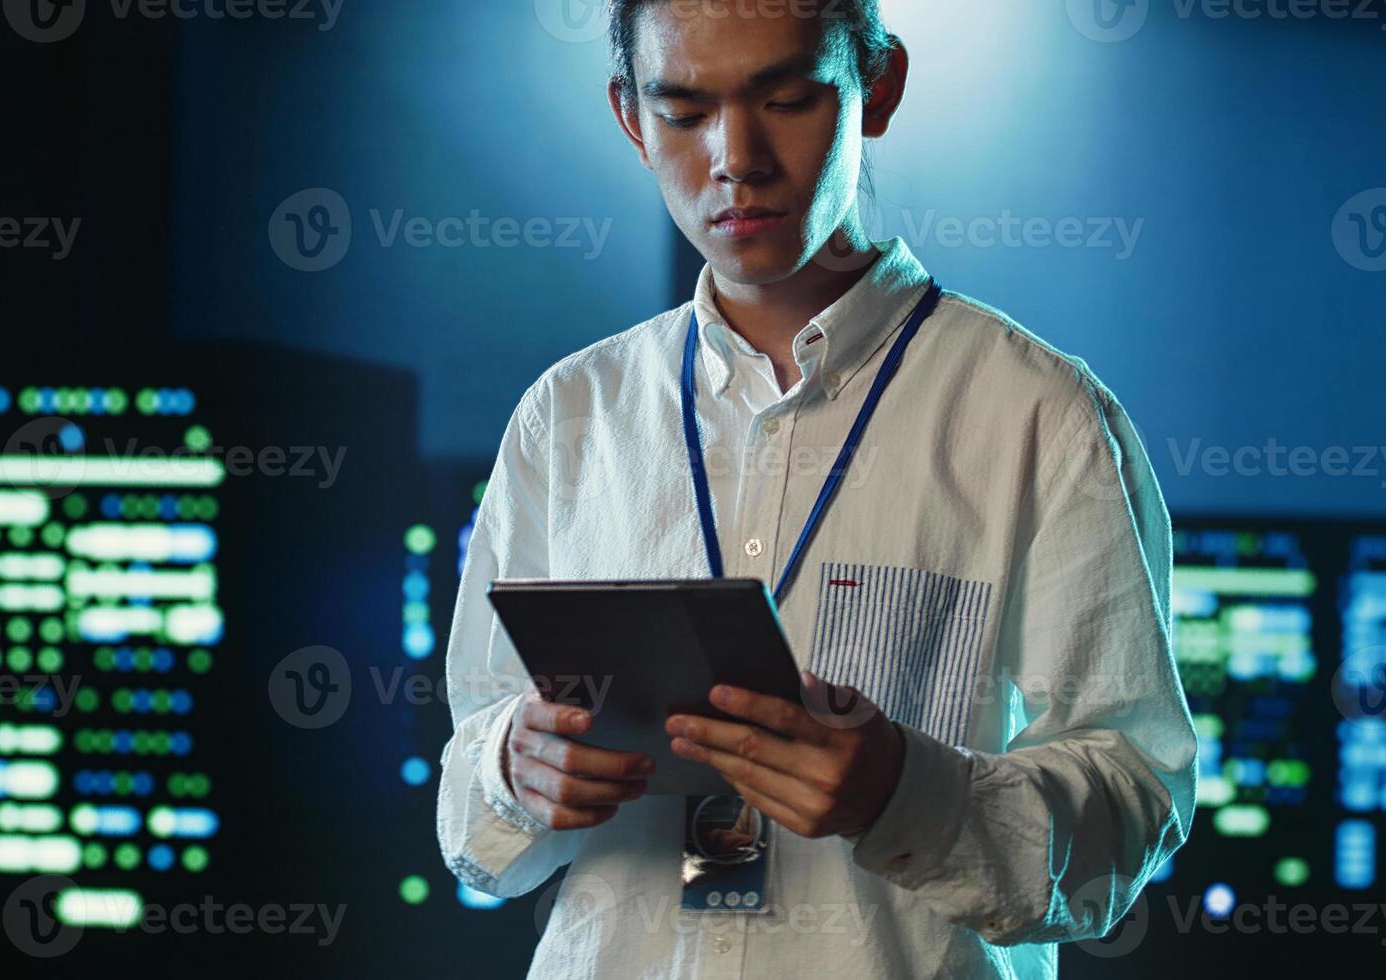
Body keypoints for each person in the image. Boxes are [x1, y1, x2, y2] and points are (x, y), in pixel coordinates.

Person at [436, 1, 1196, 976]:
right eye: (680, 111)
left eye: (787, 98)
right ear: (629, 118)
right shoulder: (569, 414)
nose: (734, 157)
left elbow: (1133, 800)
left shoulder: (1040, 415)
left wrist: (905, 793)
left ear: (876, 87)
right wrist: (510, 764)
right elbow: (469, 813)